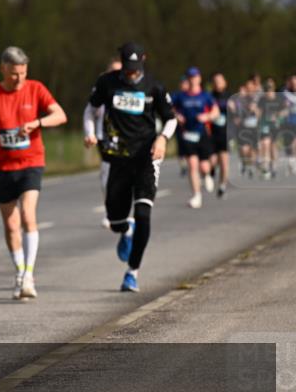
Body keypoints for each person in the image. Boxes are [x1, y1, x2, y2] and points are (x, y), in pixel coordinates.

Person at [0, 46, 67, 300]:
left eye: (23, 73)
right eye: (14, 74)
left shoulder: (36, 89)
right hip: (1, 168)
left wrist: (38, 122)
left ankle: (29, 276)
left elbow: (60, 115)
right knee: (11, 225)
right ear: (3, 69)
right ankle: (19, 272)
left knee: (28, 215)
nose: (19, 79)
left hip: (31, 162)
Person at [83, 42, 176, 293]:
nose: (131, 74)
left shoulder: (154, 86)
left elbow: (170, 119)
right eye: (127, 68)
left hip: (146, 157)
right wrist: (91, 133)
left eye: (136, 69)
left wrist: (162, 139)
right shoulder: (107, 83)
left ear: (144, 60)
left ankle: (132, 272)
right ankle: (125, 228)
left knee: (144, 214)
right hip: (118, 157)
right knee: (115, 220)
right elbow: (90, 111)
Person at [83, 56, 123, 227]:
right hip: (105, 137)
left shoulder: (133, 88)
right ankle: (110, 212)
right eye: (112, 70)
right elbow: (89, 112)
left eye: (119, 70)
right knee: (107, 175)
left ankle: (130, 210)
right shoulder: (100, 88)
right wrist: (90, 133)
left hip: (129, 139)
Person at [171, 67, 219, 208]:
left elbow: (215, 111)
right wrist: (177, 115)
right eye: (190, 77)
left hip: (202, 133)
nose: (192, 80)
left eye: (195, 77)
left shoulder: (205, 96)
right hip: (187, 134)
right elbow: (169, 107)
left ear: (199, 79)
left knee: (204, 166)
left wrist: (207, 116)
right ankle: (196, 196)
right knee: (192, 165)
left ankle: (207, 175)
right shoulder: (181, 96)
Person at [209, 72, 231, 197]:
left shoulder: (230, 97)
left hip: (225, 133)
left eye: (220, 81)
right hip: (211, 133)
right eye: (215, 81)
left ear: (224, 83)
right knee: (212, 160)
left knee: (223, 162)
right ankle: (211, 172)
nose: (217, 83)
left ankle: (222, 185)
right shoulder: (209, 96)